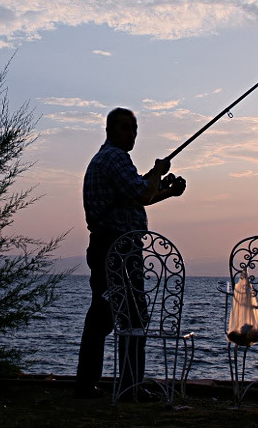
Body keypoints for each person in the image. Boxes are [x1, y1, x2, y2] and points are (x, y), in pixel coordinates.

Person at [74, 107, 187, 400]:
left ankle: (89, 385)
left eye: (134, 129)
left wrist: (167, 192)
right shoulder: (114, 158)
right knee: (132, 317)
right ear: (110, 129)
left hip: (112, 248)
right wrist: (159, 173)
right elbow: (142, 193)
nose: (131, 133)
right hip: (118, 249)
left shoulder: (112, 160)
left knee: (104, 316)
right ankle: (130, 387)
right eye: (125, 128)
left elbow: (139, 195)